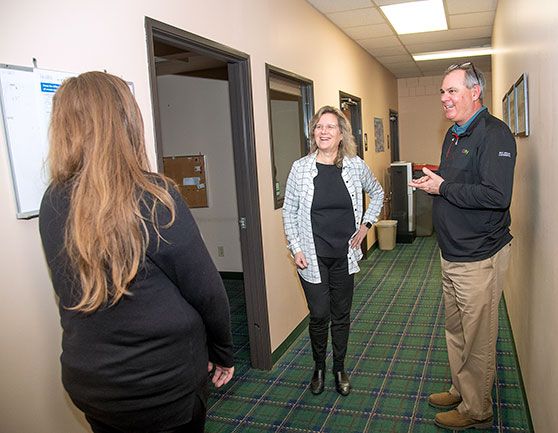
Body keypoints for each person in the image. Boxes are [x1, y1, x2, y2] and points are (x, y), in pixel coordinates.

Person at [39, 71, 235, 433]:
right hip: (162, 386)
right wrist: (223, 351)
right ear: (125, 123)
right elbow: (208, 292)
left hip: (94, 385)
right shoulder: (153, 197)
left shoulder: (52, 201)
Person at [409, 62, 516, 430]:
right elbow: (456, 181)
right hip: (452, 252)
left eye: (452, 91)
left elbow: (497, 195)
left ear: (475, 92)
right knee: (455, 330)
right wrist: (435, 181)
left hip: (479, 256)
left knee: (478, 338)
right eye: (442, 91)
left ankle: (477, 408)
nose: (444, 98)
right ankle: (460, 388)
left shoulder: (495, 134)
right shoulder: (454, 134)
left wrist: (443, 188)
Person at [282, 105, 384, 396]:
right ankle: (318, 367)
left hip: (343, 255)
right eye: (319, 127)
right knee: (319, 314)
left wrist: (367, 225)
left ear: (341, 134)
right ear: (313, 133)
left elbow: (376, 192)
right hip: (310, 257)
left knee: (341, 314)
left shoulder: (354, 165)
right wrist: (296, 247)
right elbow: (289, 211)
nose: (323, 132)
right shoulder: (300, 168)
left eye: (330, 127)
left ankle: (339, 367)